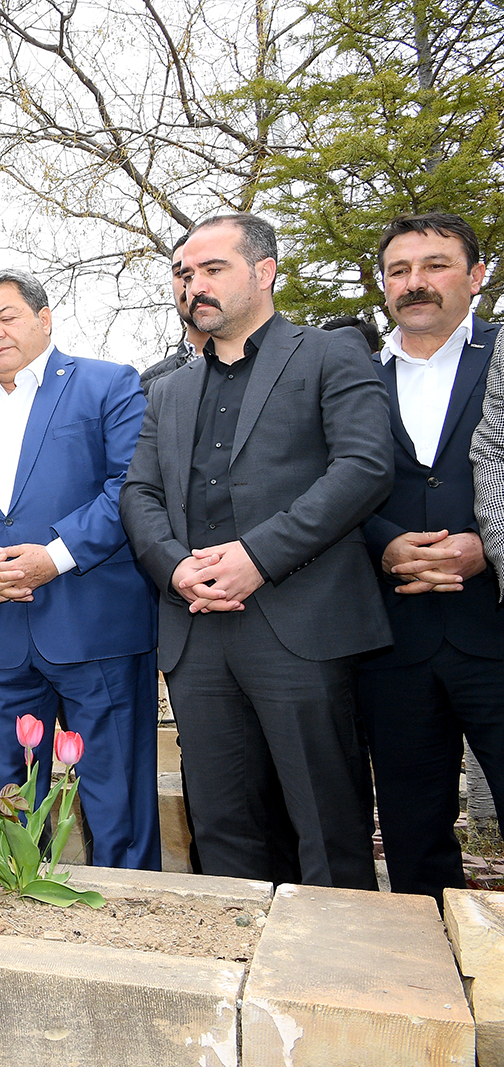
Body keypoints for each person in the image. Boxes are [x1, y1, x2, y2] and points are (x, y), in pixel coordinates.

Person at [121, 213, 393, 889]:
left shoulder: (330, 356)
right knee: (220, 827)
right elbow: (138, 493)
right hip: (198, 633)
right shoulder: (170, 389)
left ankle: (332, 987)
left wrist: (258, 556)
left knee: (326, 826)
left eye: (212, 270)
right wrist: (175, 566)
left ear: (265, 271)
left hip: (301, 624)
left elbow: (363, 469)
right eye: (185, 274)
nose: (194, 286)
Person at [0, 271, 161, 869]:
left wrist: (53, 557)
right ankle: (14, 911)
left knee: (114, 790)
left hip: (91, 625)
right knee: (6, 796)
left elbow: (129, 487)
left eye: (6, 316)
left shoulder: (107, 385)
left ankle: (127, 915)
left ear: (44, 318)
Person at [356, 212, 499, 901]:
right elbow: (326, 486)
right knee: (414, 833)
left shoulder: (498, 356)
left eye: (436, 265)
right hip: (394, 643)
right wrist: (384, 546)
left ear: (475, 276)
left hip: (494, 625)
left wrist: (488, 545)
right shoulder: (352, 379)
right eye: (399, 270)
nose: (416, 283)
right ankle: (437, 979)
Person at [140, 233, 208, 394]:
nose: (190, 283)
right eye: (180, 273)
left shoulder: (270, 364)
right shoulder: (148, 387)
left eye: (209, 270)